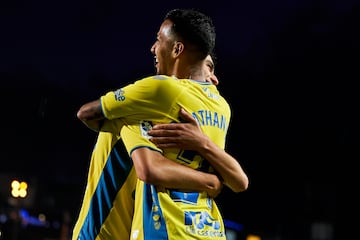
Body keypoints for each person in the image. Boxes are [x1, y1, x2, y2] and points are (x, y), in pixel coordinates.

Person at [76, 8, 248, 239]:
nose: (153, 48)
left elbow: (149, 168)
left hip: (135, 230)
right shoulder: (221, 108)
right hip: (207, 229)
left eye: (158, 40)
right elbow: (239, 181)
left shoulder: (153, 96)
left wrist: (114, 116)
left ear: (178, 49)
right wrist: (211, 181)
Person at [71, 54, 225, 240]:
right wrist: (211, 182)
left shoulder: (176, 125)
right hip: (98, 234)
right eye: (205, 67)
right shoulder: (139, 114)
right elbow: (151, 168)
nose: (211, 78)